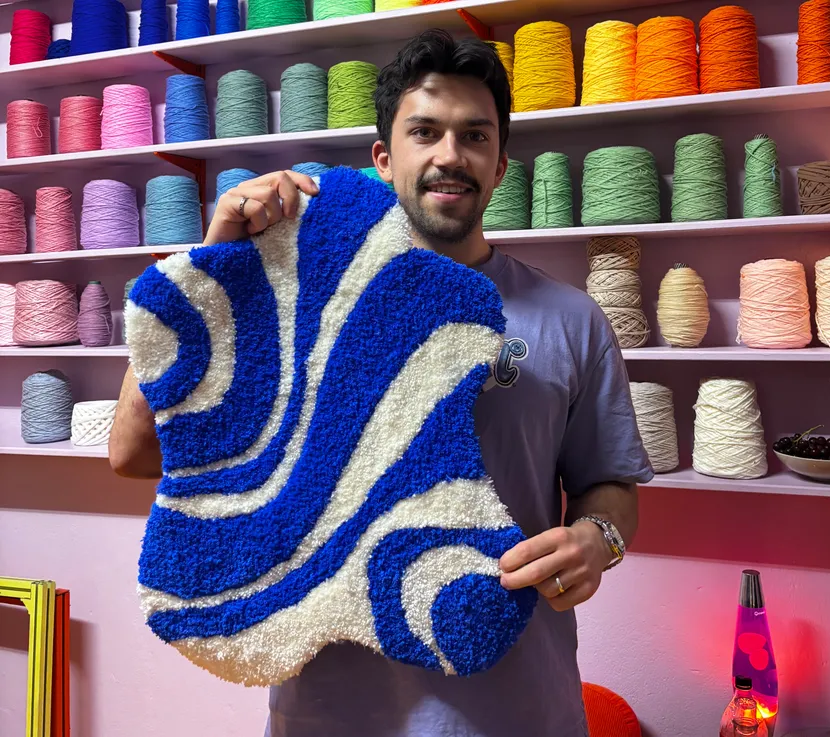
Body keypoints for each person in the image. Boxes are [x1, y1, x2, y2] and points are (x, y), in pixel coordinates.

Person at [109, 29, 653, 737]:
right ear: (384, 158)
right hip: (331, 714)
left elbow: (610, 483)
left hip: (517, 705)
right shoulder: (292, 300)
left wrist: (597, 538)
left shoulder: (571, 319)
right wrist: (219, 269)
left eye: (474, 136)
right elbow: (133, 451)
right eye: (424, 132)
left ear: (500, 167)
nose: (449, 156)